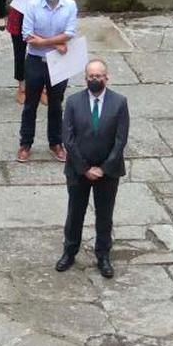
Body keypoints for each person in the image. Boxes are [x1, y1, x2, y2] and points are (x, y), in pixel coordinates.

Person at [57, 59, 128, 279]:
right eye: (91, 76)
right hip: (79, 170)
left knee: (104, 215)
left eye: (99, 76)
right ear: (85, 77)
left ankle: (103, 255)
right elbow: (68, 138)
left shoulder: (119, 102)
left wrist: (104, 168)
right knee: (75, 212)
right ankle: (70, 251)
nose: (95, 79)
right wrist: (85, 167)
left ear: (107, 77)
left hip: (108, 171)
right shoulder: (73, 102)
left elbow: (120, 139)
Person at [19, 0, 78, 163]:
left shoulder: (69, 5)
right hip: (36, 60)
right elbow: (27, 36)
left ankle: (56, 143)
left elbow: (69, 33)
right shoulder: (33, 5)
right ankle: (26, 143)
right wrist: (55, 44)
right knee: (30, 104)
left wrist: (43, 41)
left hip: (59, 62)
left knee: (55, 104)